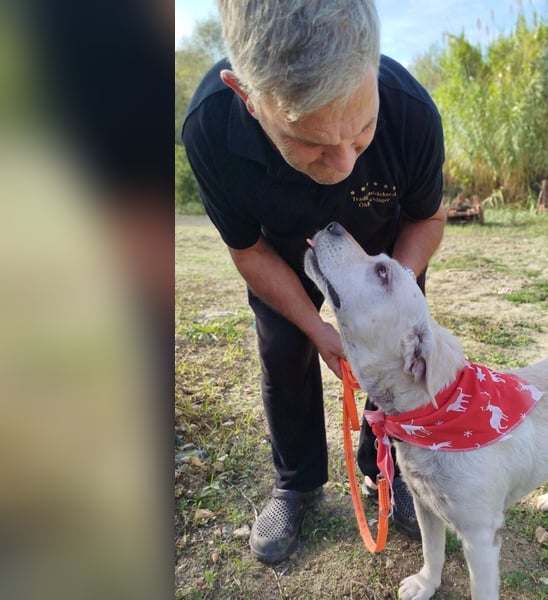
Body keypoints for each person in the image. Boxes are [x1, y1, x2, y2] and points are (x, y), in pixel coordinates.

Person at [181, 0, 446, 564]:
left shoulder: (410, 112)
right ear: (247, 96)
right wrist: (317, 328)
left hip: (384, 250)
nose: (347, 161)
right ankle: (297, 483)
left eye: (362, 129)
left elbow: (426, 217)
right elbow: (248, 250)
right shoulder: (209, 127)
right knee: (284, 351)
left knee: (394, 357)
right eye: (314, 144)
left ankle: (388, 467)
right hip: (284, 254)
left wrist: (390, 291)